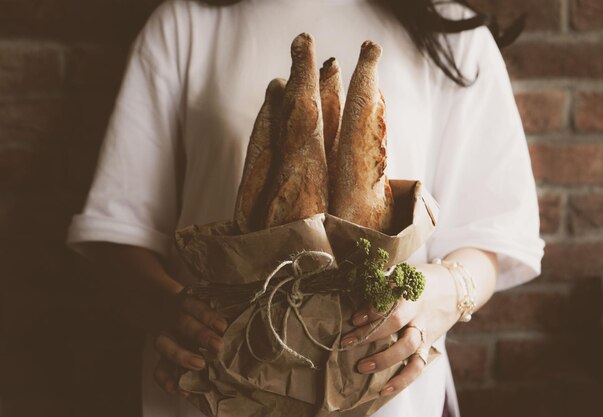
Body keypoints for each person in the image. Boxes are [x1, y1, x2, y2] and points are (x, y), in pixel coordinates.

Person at [65, 0, 545, 416]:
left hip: (390, 399)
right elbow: (119, 234)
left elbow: (491, 235)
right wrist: (166, 310)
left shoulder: (453, 37)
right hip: (215, 394)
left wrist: (441, 294)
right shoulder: (185, 24)